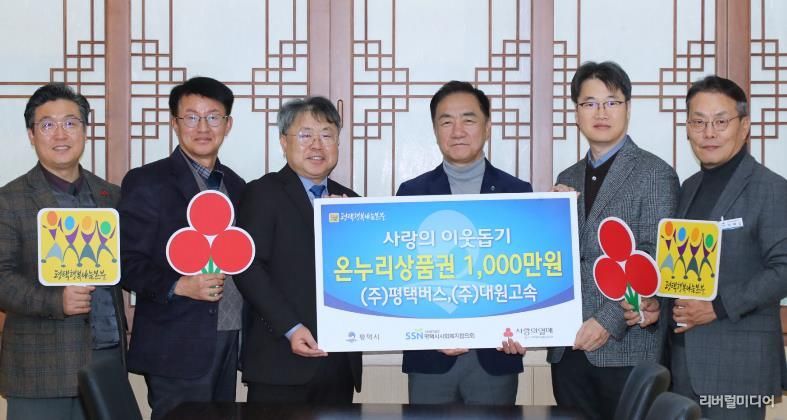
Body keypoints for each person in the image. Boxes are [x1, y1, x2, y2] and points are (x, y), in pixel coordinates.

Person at [548, 61, 679, 420]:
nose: (601, 112)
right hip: (569, 348)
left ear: (628, 108)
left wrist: (608, 321)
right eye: (589, 103)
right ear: (576, 112)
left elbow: (653, 258)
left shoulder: (655, 173)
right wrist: (549, 218)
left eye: (611, 102)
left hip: (626, 349)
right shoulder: (567, 177)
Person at [118, 77, 245, 420]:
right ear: (174, 123)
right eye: (191, 117)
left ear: (228, 124)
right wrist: (179, 285)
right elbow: (125, 261)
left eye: (213, 117)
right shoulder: (147, 181)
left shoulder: (236, 185)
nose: (203, 127)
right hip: (175, 343)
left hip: (229, 335)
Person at [396, 81, 529, 405]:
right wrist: (431, 334)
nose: (457, 131)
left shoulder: (518, 193)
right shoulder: (411, 194)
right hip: (430, 358)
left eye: (468, 120)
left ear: (487, 127)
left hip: (495, 357)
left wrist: (528, 328)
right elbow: (400, 277)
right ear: (435, 130)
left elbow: (530, 274)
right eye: (446, 122)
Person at [0, 83, 127, 420]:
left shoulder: (111, 196)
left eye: (71, 123)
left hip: (106, 358)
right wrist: (56, 301)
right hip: (40, 366)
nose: (60, 134)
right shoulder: (8, 200)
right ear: (31, 134)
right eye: (47, 124)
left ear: (85, 130)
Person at [667, 75, 787, 420]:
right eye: (698, 122)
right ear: (688, 128)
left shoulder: (770, 188)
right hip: (682, 363)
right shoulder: (689, 187)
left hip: (738, 364)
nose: (709, 132)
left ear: (744, 126)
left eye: (721, 122)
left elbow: (783, 269)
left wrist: (717, 307)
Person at [235, 96, 362, 403]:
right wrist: (290, 328)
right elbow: (248, 268)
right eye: (305, 135)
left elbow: (367, 272)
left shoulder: (352, 202)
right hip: (280, 360)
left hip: (338, 363)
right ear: (284, 142)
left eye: (327, 135)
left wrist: (346, 228)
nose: (317, 145)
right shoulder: (262, 192)